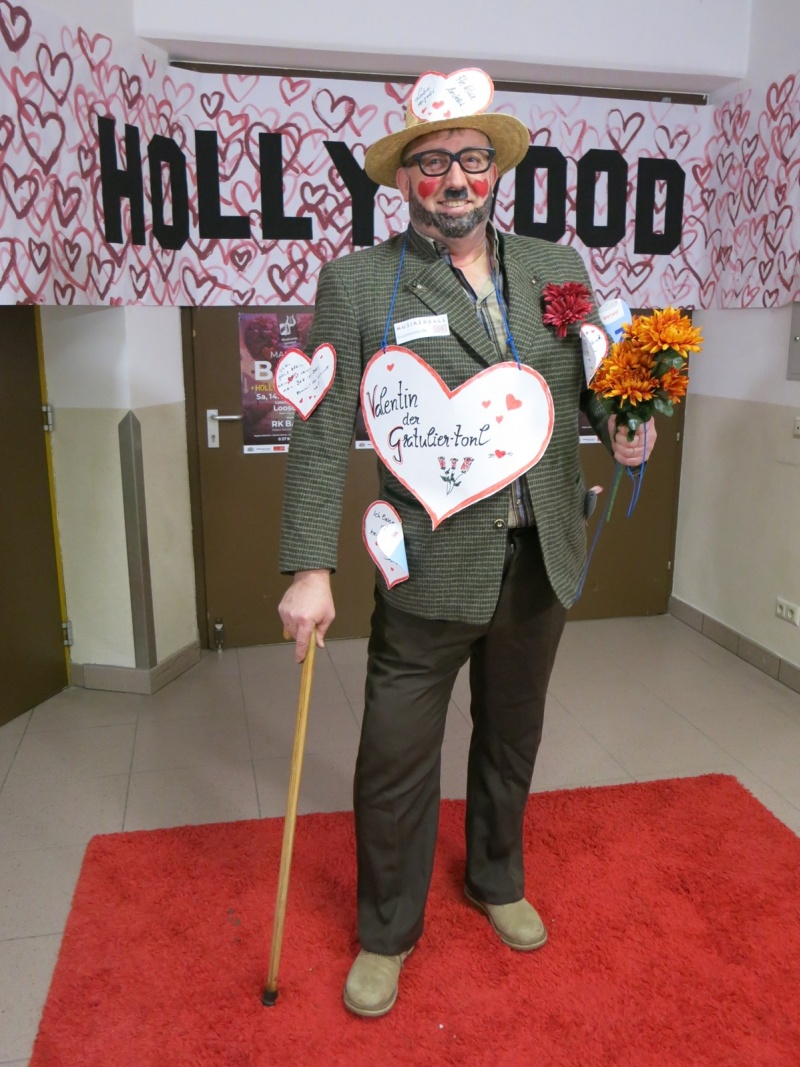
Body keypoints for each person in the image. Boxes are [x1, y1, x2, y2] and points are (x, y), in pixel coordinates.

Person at [278, 71, 656, 1018]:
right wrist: (311, 568)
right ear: (405, 178)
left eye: (474, 159)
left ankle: (495, 875)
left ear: (496, 171)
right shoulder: (358, 284)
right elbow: (320, 433)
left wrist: (625, 422)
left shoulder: (557, 268)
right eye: (435, 160)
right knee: (394, 758)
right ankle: (386, 930)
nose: (456, 177)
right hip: (426, 568)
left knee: (512, 737)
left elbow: (593, 381)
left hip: (540, 558)